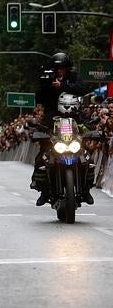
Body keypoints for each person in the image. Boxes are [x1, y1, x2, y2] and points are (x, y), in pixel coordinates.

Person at [31, 52, 94, 206]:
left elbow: (84, 87)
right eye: (57, 68)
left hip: (73, 116)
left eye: (63, 68)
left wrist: (63, 86)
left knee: (86, 152)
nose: (60, 70)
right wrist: (46, 85)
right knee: (42, 154)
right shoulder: (48, 78)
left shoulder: (73, 77)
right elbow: (39, 98)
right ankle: (44, 190)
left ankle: (86, 190)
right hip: (52, 118)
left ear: (67, 68)